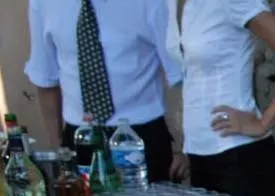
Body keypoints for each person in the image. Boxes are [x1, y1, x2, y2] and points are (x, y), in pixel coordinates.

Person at [172, 0, 275, 196]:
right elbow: (194, 78)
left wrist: (263, 123)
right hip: (200, 160)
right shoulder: (176, 5)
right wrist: (188, 146)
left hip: (238, 158)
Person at [25, 0, 187, 182]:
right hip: (80, 137)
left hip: (141, 135)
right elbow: (46, 79)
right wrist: (58, 149)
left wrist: (183, 144)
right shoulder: (43, 3)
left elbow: (180, 75)